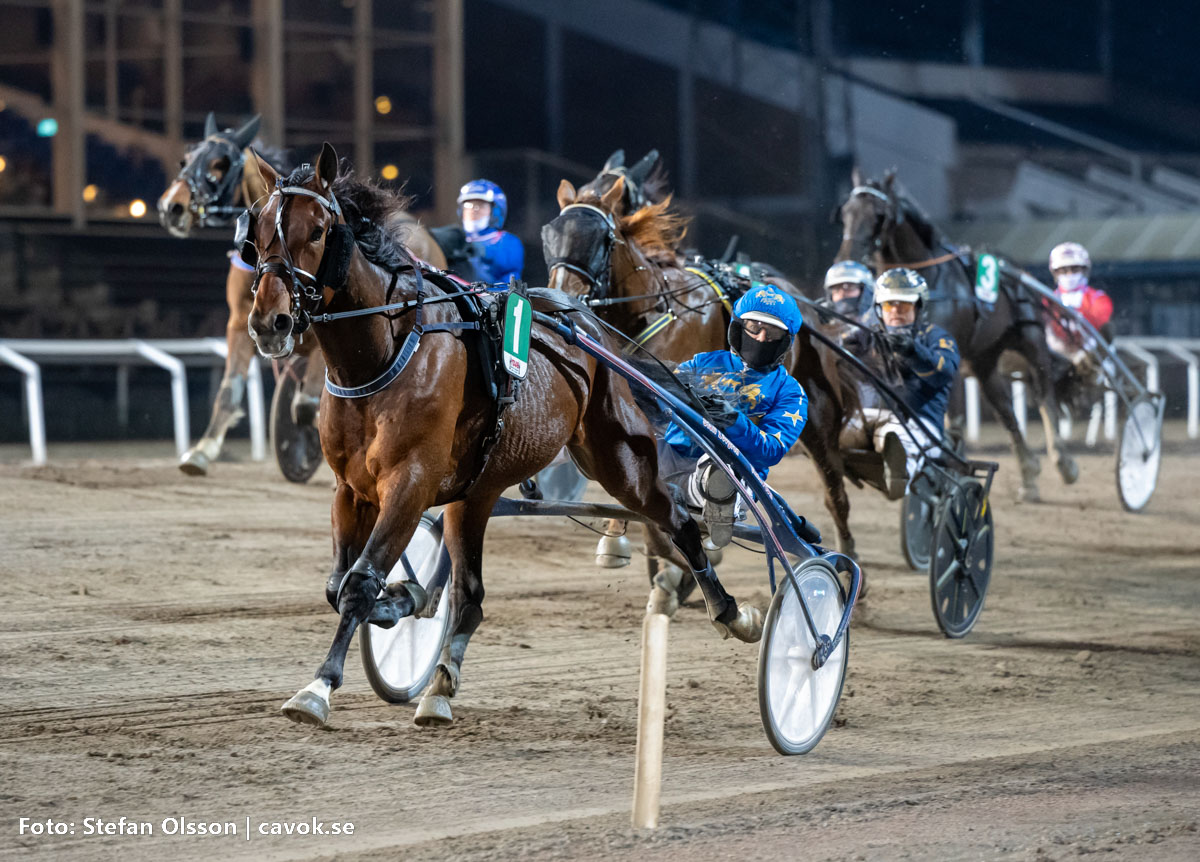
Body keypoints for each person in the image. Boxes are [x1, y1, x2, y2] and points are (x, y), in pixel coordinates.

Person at [661, 283, 808, 548]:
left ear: (785, 341)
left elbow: (771, 451)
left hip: (733, 472)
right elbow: (659, 402)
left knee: (718, 466)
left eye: (772, 332)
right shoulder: (700, 364)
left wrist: (732, 420)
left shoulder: (789, 391)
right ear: (738, 328)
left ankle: (715, 498)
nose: (761, 338)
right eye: (754, 327)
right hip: (670, 458)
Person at [839, 268, 959, 499]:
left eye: (903, 306)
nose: (895, 311)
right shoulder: (866, 335)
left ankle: (899, 477)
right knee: (832, 427)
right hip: (868, 418)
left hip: (918, 424)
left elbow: (944, 371)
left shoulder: (936, 337)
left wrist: (914, 351)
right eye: (888, 305)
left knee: (894, 434)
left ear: (918, 307)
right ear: (878, 309)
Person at [1045, 242, 1112, 362]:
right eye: (1063, 270)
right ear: (1055, 273)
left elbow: (1100, 326)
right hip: (1058, 356)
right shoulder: (1048, 301)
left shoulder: (1098, 298)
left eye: (1075, 269)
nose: (1069, 274)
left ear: (1084, 270)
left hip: (1093, 355)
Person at [457, 179, 524, 285]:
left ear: (495, 211)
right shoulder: (455, 239)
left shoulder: (507, 242)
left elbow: (510, 284)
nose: (473, 210)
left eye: (480, 205)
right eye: (468, 205)